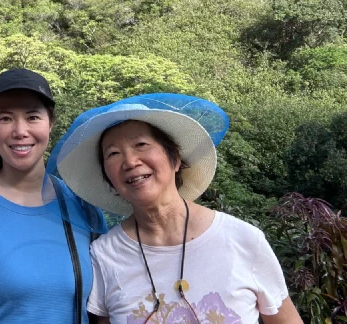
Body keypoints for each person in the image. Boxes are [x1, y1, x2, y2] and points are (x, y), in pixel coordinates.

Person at [52, 93, 303, 324]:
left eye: (141, 145)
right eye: (113, 153)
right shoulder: (104, 256)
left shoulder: (243, 240)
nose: (129, 161)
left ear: (175, 159)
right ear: (109, 180)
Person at [0, 68, 106, 324]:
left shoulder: (84, 209)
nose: (20, 131)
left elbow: (106, 308)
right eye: (5, 118)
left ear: (50, 123)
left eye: (32, 117)